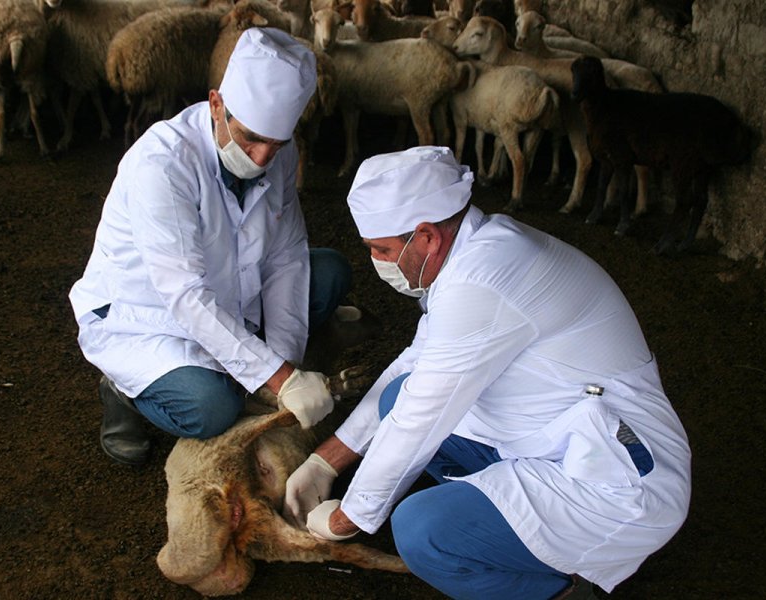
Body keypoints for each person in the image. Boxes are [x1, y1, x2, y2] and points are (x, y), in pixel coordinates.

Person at [283, 146, 692, 599]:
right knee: (397, 397)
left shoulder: (483, 280)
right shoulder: (477, 253)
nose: (377, 261)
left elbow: (422, 414)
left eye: (382, 250)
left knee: (422, 532)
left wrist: (348, 518)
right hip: (558, 431)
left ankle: (560, 589)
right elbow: (416, 365)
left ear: (426, 237)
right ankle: (506, 530)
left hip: (618, 479)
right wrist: (325, 460)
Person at [69, 28, 351, 467]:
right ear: (216, 105)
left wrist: (284, 365)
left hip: (229, 289)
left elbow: (286, 257)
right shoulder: (164, 164)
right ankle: (123, 390)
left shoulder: (278, 154)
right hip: (149, 313)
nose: (262, 157)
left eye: (275, 144)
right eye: (250, 138)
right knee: (211, 407)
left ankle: (243, 362)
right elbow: (184, 293)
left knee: (329, 271)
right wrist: (277, 377)